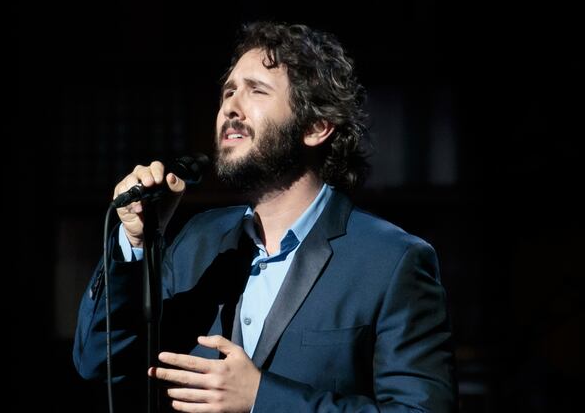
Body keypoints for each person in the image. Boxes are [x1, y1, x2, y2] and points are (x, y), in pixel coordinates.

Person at [73, 21, 457, 412]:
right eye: (228, 92)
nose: (230, 107)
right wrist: (136, 242)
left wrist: (262, 398)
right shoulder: (196, 240)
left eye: (256, 90)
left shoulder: (392, 260)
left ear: (316, 127)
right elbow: (100, 365)